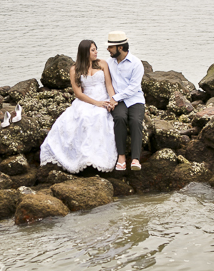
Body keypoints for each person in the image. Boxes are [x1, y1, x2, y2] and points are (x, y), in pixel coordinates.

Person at [40, 40, 118, 173]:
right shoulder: (74, 69)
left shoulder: (102, 64)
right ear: (85, 52)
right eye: (93, 50)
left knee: (100, 116)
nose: (96, 52)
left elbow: (109, 85)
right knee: (83, 117)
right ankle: (82, 157)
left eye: (96, 49)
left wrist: (112, 100)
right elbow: (78, 93)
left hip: (103, 98)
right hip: (86, 100)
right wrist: (96, 103)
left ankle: (96, 158)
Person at [105, 31, 145, 170]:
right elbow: (107, 82)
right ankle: (121, 156)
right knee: (120, 118)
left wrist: (115, 98)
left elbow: (134, 88)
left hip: (135, 99)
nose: (108, 49)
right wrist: (111, 99)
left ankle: (135, 159)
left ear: (120, 48)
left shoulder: (136, 63)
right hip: (118, 101)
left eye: (110, 47)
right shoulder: (109, 63)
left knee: (135, 121)